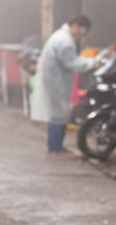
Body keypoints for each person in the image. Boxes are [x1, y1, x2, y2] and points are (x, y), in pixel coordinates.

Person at [31, 15, 96, 157]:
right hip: (56, 82)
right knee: (58, 114)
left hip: (56, 81)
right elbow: (72, 62)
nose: (81, 35)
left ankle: (57, 146)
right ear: (77, 26)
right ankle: (55, 149)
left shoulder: (61, 37)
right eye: (82, 31)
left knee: (59, 113)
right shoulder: (65, 41)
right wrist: (92, 63)